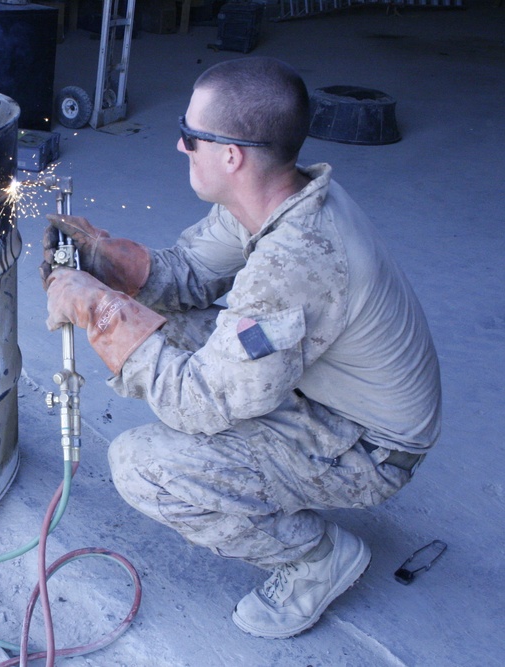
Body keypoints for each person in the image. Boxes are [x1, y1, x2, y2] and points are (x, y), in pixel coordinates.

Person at [41, 57, 441, 639]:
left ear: (231, 155)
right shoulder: (276, 197)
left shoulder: (297, 258)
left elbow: (200, 400)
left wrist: (100, 309)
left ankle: (314, 558)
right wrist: (110, 263)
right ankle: (272, 493)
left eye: (189, 135)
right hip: (325, 388)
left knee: (141, 467)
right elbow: (195, 274)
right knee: (171, 331)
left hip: (370, 446)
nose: (180, 146)